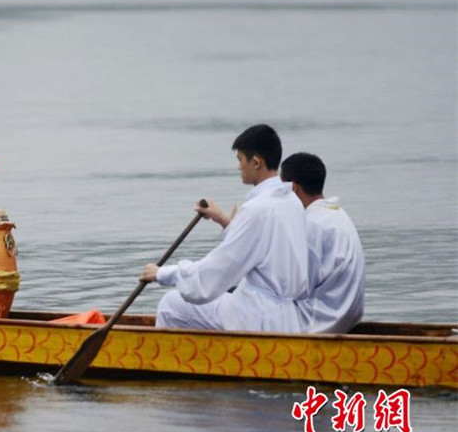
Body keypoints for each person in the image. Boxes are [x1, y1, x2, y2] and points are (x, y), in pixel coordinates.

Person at [140, 124, 309, 332]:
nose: (239, 167)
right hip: (288, 317)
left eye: (240, 160)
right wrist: (221, 218)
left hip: (255, 316)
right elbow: (256, 249)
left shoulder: (256, 209)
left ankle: (169, 364)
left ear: (256, 162)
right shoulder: (291, 202)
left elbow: (217, 270)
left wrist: (163, 274)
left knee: (171, 305)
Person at [281, 152, 365, 333]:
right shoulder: (336, 214)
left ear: (294, 188)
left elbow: (293, 289)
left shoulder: (311, 226)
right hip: (341, 317)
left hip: (317, 323)